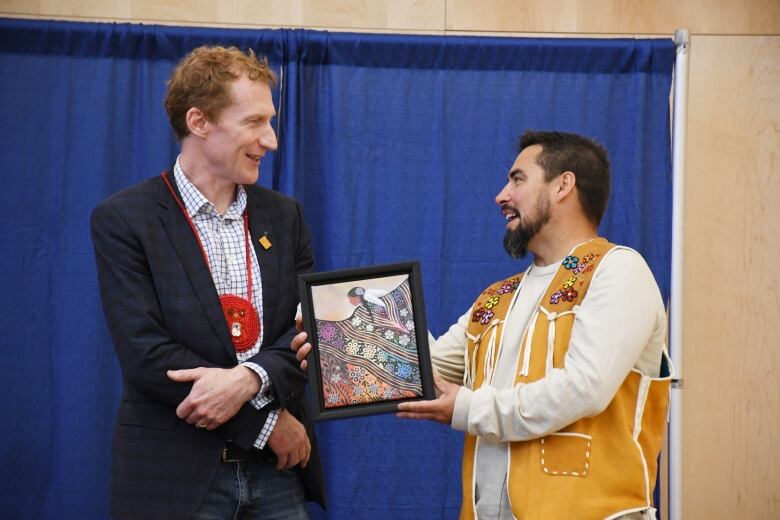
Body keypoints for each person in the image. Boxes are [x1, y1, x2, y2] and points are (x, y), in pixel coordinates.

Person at [294, 130, 672, 519]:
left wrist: (466, 407)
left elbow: (584, 389)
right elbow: (418, 371)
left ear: (563, 185)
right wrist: (333, 346)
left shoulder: (618, 270)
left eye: (517, 179)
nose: (501, 195)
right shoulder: (497, 298)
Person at [92, 45, 325, 520]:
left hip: (277, 477)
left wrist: (249, 378)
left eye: (271, 121)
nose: (272, 140)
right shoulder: (124, 220)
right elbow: (146, 354)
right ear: (199, 122)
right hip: (173, 479)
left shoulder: (286, 217)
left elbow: (308, 332)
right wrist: (263, 423)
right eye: (254, 122)